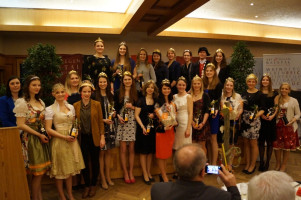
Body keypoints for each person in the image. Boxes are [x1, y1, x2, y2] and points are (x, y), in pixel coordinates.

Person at [151, 143, 241, 200]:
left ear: (176, 169)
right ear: (203, 171)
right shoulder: (220, 196)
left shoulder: (158, 190)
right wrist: (232, 187)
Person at [14, 75, 51, 200]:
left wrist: (45, 133)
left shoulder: (41, 102)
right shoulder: (22, 102)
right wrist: (38, 134)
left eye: (39, 85)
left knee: (40, 173)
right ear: (28, 86)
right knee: (37, 174)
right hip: (30, 140)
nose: (37, 87)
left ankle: (38, 197)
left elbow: (43, 122)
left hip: (41, 138)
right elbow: (20, 125)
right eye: (34, 85)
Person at [45, 83, 85, 200]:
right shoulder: (49, 109)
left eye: (62, 92)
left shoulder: (71, 107)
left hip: (71, 140)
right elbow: (48, 129)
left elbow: (74, 123)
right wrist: (64, 137)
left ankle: (70, 194)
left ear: (65, 93)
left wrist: (75, 132)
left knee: (70, 169)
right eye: (57, 92)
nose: (60, 94)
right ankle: (62, 196)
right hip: (59, 140)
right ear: (53, 94)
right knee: (60, 172)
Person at [73, 81, 105, 198]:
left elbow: (100, 122)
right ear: (80, 92)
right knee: (84, 163)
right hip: (82, 138)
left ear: (91, 92)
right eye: (84, 91)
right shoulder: (75, 105)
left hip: (94, 137)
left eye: (89, 91)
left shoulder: (96, 104)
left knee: (95, 162)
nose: (86, 94)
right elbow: (74, 122)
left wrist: (102, 136)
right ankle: (86, 185)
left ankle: (93, 185)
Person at [114, 71, 138, 184]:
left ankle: (131, 171)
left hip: (132, 122)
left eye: (129, 79)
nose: (127, 81)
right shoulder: (118, 92)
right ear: (122, 81)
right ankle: (125, 172)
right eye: (125, 79)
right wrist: (118, 116)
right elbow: (114, 108)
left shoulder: (137, 92)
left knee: (131, 149)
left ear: (132, 81)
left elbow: (140, 108)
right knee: (123, 149)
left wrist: (132, 107)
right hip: (122, 122)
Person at [94, 72, 116, 190]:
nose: (103, 84)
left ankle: (108, 176)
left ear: (107, 83)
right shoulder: (94, 96)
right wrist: (104, 120)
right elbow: (94, 116)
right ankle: (102, 178)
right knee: (101, 153)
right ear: (98, 83)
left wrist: (114, 114)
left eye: (104, 82)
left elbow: (113, 109)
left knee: (109, 153)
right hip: (101, 128)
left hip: (111, 127)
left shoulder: (111, 95)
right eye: (100, 82)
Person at [134, 80, 158, 185]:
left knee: (150, 152)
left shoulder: (156, 100)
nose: (150, 89)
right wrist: (142, 127)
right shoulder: (140, 100)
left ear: (154, 89)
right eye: (148, 87)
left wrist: (154, 115)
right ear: (145, 88)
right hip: (142, 129)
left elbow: (160, 113)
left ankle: (149, 172)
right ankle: (144, 173)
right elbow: (136, 115)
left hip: (152, 129)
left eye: (152, 87)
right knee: (143, 152)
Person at [241, 74, 265, 174]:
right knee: (246, 142)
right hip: (244, 119)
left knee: (253, 143)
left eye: (253, 81)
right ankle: (247, 163)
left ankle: (253, 165)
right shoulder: (243, 93)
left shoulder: (260, 94)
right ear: (247, 82)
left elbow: (263, 109)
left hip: (254, 120)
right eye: (249, 81)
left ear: (256, 82)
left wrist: (255, 116)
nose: (251, 83)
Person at [273, 82, 300, 172]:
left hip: (289, 127)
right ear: (280, 89)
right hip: (278, 126)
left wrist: (292, 121)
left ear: (289, 90)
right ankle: (277, 163)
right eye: (282, 88)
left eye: (286, 89)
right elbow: (273, 112)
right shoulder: (277, 99)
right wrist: (277, 115)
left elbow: (298, 114)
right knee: (276, 146)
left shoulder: (294, 100)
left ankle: (283, 165)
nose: (284, 90)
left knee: (286, 148)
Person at [154, 79, 177, 182]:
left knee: (166, 154)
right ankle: (164, 176)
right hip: (162, 131)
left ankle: (162, 174)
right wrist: (164, 126)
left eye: (168, 88)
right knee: (161, 154)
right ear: (161, 89)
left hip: (170, 131)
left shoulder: (172, 103)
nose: (166, 90)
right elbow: (158, 118)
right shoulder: (158, 103)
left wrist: (174, 122)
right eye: (164, 88)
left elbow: (174, 116)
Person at [203, 63, 223, 165]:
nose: (209, 72)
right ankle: (208, 162)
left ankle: (214, 164)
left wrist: (216, 109)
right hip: (205, 113)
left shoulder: (218, 84)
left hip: (214, 113)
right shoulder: (203, 82)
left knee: (213, 139)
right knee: (207, 139)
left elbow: (218, 99)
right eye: (207, 71)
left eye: (211, 71)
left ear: (214, 72)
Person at [258, 74, 278, 171]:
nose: (265, 81)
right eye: (263, 80)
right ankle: (261, 162)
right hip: (261, 120)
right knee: (261, 142)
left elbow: (276, 107)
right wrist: (261, 115)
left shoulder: (274, 93)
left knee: (270, 143)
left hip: (271, 120)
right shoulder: (258, 93)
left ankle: (267, 163)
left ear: (269, 82)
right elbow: (257, 106)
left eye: (267, 80)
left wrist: (272, 116)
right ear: (261, 82)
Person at [220, 77, 243, 146]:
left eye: (231, 85)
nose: (229, 87)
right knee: (223, 140)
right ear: (224, 85)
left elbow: (240, 108)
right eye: (227, 85)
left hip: (234, 121)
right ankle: (224, 156)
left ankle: (232, 156)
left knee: (232, 141)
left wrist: (237, 115)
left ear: (233, 87)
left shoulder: (237, 96)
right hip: (223, 121)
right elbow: (220, 108)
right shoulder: (221, 95)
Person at [191, 75, 211, 155]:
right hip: (192, 123)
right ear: (192, 84)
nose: (196, 85)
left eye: (198, 83)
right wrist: (192, 122)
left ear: (201, 84)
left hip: (203, 123)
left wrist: (202, 123)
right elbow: (188, 111)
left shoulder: (205, 96)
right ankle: (194, 165)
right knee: (192, 145)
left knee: (202, 146)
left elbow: (207, 111)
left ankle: (202, 165)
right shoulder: (189, 96)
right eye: (195, 84)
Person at [173, 76, 193, 150]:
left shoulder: (188, 97)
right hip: (176, 124)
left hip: (185, 123)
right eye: (179, 85)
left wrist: (188, 128)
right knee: (177, 147)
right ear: (176, 85)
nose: (181, 87)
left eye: (183, 85)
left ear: (186, 86)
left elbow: (190, 113)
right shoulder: (174, 97)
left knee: (185, 147)